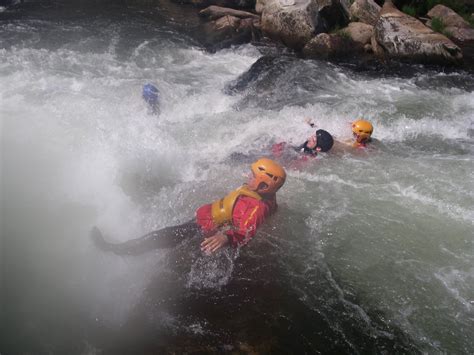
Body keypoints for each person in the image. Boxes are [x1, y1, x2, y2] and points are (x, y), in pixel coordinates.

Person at [91, 158, 286, 255]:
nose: (248, 176)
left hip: (202, 230)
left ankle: (112, 249)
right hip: (205, 224)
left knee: (159, 238)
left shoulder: (257, 206)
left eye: (253, 175)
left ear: (263, 185)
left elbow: (247, 231)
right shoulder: (263, 193)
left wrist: (226, 237)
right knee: (166, 239)